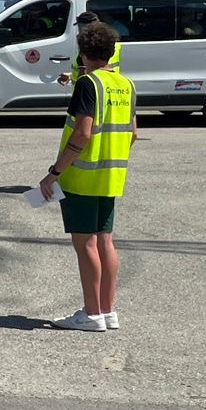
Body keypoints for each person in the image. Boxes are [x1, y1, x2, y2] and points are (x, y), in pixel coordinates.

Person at [40, 19, 136, 333]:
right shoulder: (125, 84)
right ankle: (108, 311)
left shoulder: (88, 84)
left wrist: (54, 173)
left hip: (82, 177)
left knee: (86, 246)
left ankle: (91, 313)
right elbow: (133, 133)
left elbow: (82, 134)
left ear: (83, 54)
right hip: (112, 175)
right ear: (111, 52)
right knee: (106, 242)